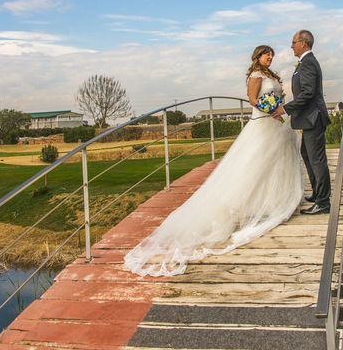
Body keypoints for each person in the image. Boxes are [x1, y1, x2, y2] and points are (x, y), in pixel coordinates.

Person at [124, 45, 303, 277]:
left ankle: (273, 203)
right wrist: (269, 109)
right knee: (252, 166)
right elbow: (252, 99)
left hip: (276, 124)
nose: (270, 57)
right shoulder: (255, 76)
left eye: (272, 54)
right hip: (262, 124)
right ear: (257, 57)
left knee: (276, 166)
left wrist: (278, 106)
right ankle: (242, 206)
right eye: (266, 54)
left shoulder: (271, 75)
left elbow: (274, 96)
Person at [273, 30, 331, 215]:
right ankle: (317, 193)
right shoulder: (305, 62)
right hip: (308, 118)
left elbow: (307, 93)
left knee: (316, 160)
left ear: (303, 43)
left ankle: (323, 203)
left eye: (293, 42)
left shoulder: (308, 63)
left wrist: (285, 108)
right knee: (307, 155)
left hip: (313, 117)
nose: (291, 46)